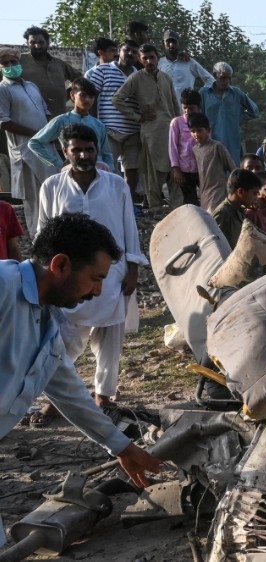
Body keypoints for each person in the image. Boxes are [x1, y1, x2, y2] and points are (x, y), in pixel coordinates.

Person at [0, 212, 161, 488]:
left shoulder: (47, 322)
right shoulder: (3, 285)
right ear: (60, 265)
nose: (97, 292)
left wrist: (122, 446)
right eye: (95, 278)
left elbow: (69, 391)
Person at [36, 123, 146, 416]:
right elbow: (43, 233)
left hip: (111, 276)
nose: (83, 155)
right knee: (61, 341)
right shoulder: (52, 187)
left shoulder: (116, 185)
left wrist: (133, 268)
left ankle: (104, 397)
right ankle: (56, 398)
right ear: (65, 151)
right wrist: (44, 274)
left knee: (110, 339)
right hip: (67, 278)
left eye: (89, 149)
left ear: (97, 149)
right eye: (77, 150)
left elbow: (129, 229)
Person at [112, 43, 182, 208]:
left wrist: (180, 128)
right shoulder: (136, 78)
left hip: (171, 130)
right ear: (139, 60)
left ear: (157, 58)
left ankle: (178, 208)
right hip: (151, 131)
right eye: (145, 58)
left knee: (175, 170)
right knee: (153, 173)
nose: (149, 61)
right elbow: (117, 99)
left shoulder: (166, 78)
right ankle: (156, 210)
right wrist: (137, 117)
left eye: (152, 57)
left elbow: (174, 104)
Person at [1, 47, 53, 237]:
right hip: (25, 151)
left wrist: (49, 134)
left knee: (51, 191)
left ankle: (54, 235)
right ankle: (37, 239)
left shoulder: (31, 86)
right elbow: (4, 122)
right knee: (33, 199)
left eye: (13, 62)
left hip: (45, 148)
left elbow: (46, 112)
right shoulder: (3, 90)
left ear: (19, 63)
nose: (10, 66)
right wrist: (35, 134)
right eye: (5, 64)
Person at [87, 40, 142, 203]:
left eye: (134, 52)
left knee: (132, 170)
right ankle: (105, 202)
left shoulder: (139, 74)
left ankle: (127, 203)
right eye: (127, 50)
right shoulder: (102, 70)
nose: (130, 54)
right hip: (109, 130)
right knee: (106, 169)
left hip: (134, 131)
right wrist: (93, 123)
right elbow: (92, 97)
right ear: (119, 50)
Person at [29, 77, 115, 171]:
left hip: (98, 172)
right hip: (74, 171)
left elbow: (107, 155)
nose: (87, 100)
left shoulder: (99, 125)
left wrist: (110, 173)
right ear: (73, 95)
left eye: (91, 97)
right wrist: (58, 163)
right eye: (83, 95)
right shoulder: (62, 121)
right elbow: (34, 143)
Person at [199, 62, 259, 164]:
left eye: (229, 78)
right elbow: (198, 117)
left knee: (232, 174)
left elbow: (254, 111)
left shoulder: (236, 93)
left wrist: (237, 119)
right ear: (215, 75)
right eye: (223, 78)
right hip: (210, 141)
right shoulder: (204, 93)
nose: (226, 81)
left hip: (231, 142)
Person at [19, 26, 83, 119]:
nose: (37, 46)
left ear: (48, 43)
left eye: (41, 42)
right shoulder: (19, 61)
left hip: (57, 115)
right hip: (29, 117)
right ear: (27, 44)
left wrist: (67, 94)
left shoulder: (59, 64)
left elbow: (79, 79)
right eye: (33, 43)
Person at [189, 112, 236, 212]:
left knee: (215, 215)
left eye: (199, 130)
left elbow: (233, 169)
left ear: (208, 130)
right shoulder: (195, 149)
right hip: (204, 192)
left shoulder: (217, 146)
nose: (196, 134)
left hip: (218, 191)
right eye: (193, 131)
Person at [158, 30, 214, 104]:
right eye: (168, 42)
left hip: (186, 109)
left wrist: (198, 96)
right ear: (163, 44)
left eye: (174, 42)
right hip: (166, 109)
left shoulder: (189, 62)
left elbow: (210, 80)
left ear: (179, 44)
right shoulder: (159, 63)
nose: (171, 45)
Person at [168, 88, 203, 206]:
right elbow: (173, 147)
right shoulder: (176, 123)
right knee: (190, 201)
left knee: (207, 198)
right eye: (185, 108)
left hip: (201, 169)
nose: (187, 111)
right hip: (184, 170)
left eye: (191, 108)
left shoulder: (204, 122)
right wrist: (176, 169)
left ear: (199, 108)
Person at [213, 169, 261, 249]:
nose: (256, 198)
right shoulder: (223, 213)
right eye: (254, 193)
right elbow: (215, 245)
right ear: (240, 192)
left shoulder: (240, 211)